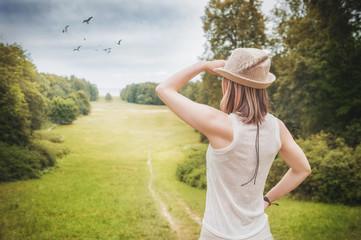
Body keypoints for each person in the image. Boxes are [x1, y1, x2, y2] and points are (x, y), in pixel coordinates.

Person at [156, 48, 311, 240]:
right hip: (260, 234)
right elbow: (303, 169)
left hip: (217, 234)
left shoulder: (220, 124)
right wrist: (267, 199)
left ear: (229, 84)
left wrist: (204, 65)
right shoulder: (278, 127)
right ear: (262, 88)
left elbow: (164, 89)